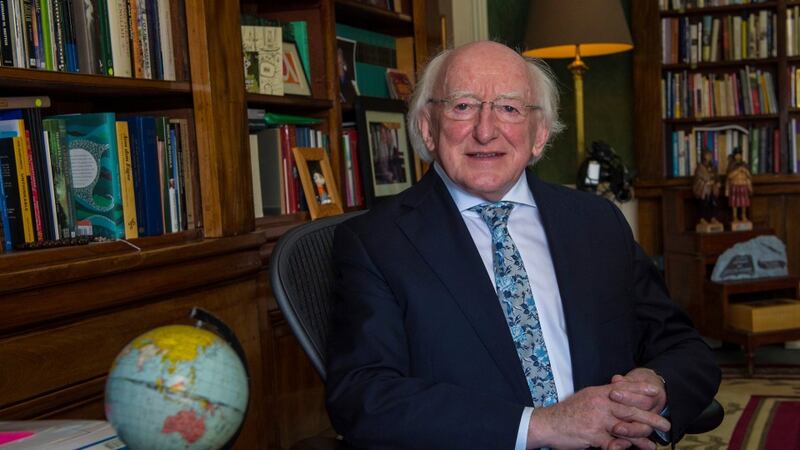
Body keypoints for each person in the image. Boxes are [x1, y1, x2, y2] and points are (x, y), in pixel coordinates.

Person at [326, 41, 720, 450]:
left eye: (509, 108)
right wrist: (541, 426)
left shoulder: (598, 222)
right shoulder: (376, 243)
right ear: (428, 126)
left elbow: (683, 346)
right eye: (462, 106)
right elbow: (363, 397)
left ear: (539, 134)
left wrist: (655, 385)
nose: (485, 131)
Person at [692, 149, 722, 230]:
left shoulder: (713, 167)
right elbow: (698, 179)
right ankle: (702, 219)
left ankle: (713, 218)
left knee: (714, 203)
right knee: (703, 204)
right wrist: (706, 183)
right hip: (704, 190)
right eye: (708, 155)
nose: (710, 157)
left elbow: (717, 177)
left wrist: (718, 182)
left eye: (710, 155)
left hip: (713, 189)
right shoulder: (700, 168)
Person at [725, 148, 753, 224]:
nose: (738, 156)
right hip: (735, 185)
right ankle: (735, 216)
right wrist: (737, 171)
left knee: (744, 202)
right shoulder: (731, 165)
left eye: (739, 154)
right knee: (735, 202)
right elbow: (729, 176)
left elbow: (749, 176)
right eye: (736, 155)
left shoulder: (745, 164)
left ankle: (743, 215)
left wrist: (745, 171)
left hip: (743, 184)